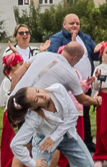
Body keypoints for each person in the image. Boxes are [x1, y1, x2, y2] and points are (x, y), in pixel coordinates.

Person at [0, 43, 101, 167]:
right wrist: (96, 102)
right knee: (51, 143)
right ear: (75, 57)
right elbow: (83, 99)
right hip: (35, 109)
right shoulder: (70, 73)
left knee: (25, 144)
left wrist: (14, 95)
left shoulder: (43, 55)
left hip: (14, 106)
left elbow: (18, 73)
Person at [41, 13, 97, 151]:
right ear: (64, 25)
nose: (75, 26)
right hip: (66, 86)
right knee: (68, 116)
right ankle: (67, 144)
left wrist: (99, 49)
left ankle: (86, 141)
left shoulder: (85, 37)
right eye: (71, 23)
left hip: (84, 83)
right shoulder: (57, 38)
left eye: (77, 23)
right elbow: (54, 55)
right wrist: (71, 43)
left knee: (84, 113)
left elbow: (94, 55)